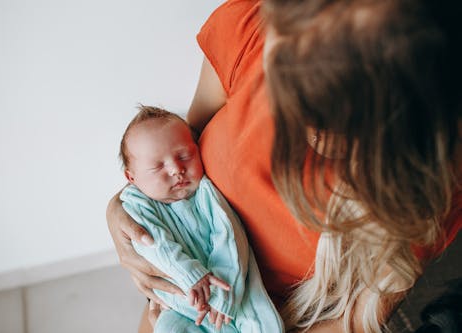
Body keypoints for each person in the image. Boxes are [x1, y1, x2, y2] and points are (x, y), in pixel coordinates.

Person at [107, 0, 462, 332]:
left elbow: (354, 319)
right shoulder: (254, 22)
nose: (296, 120)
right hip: (186, 298)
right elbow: (181, 146)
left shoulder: (438, 170)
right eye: (285, 84)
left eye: (330, 111)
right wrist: (120, 209)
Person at [117, 105, 284, 332]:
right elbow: (155, 245)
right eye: (158, 166)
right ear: (132, 177)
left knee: (265, 325)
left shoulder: (206, 193)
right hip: (181, 306)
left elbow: (230, 239)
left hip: (233, 291)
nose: (176, 169)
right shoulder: (137, 205)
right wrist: (192, 275)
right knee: (168, 328)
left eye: (185, 156)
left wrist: (223, 296)